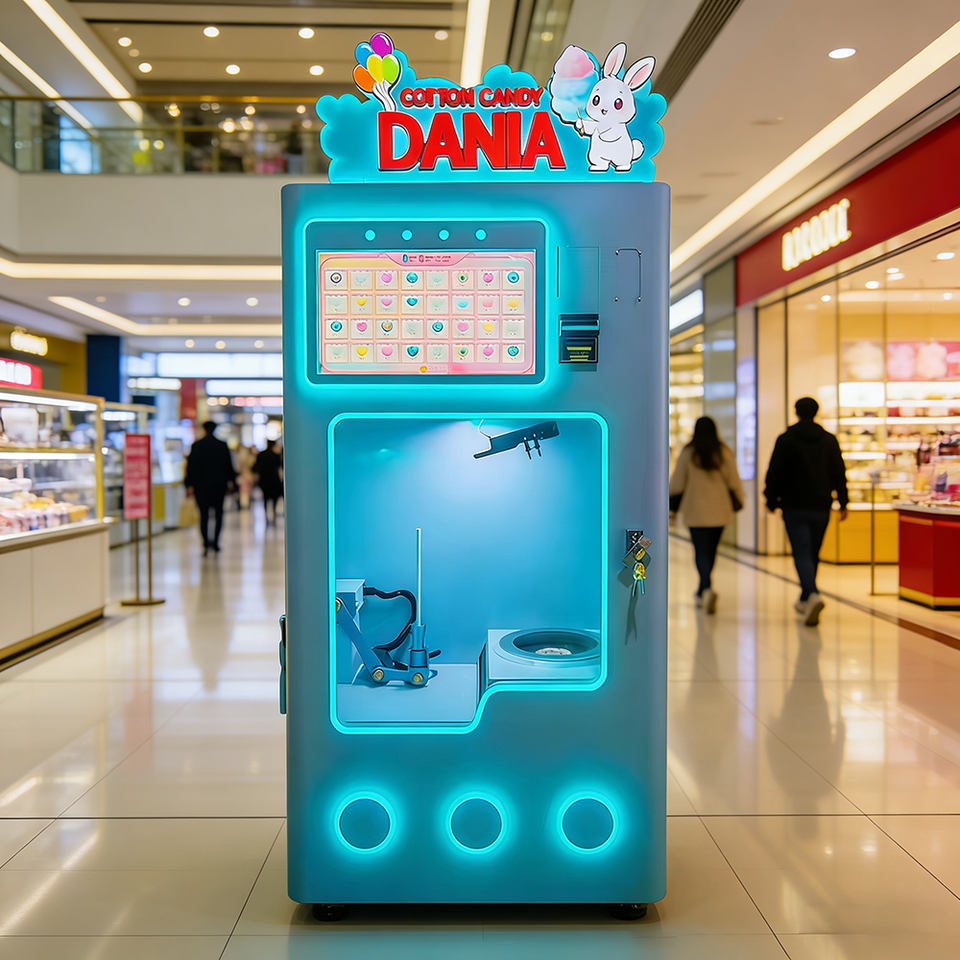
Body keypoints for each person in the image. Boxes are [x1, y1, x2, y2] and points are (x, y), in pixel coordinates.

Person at [764, 397, 848, 627]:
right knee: (813, 552)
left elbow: (775, 471)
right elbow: (838, 472)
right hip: (821, 505)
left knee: (801, 551)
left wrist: (770, 498)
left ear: (796, 412)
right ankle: (806, 597)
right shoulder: (828, 440)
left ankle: (811, 594)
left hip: (794, 505)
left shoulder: (786, 439)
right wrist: (843, 501)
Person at [669, 416, 744, 614]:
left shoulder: (689, 452)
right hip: (719, 510)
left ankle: (705, 587)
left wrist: (672, 507)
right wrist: (740, 500)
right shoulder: (723, 451)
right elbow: (733, 480)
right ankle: (705, 587)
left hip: (696, 511)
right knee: (711, 551)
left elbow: (678, 482)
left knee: (700, 550)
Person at [184, 421, 237, 555]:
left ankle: (206, 543)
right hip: (219, 486)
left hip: (201, 487)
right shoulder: (222, 445)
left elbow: (191, 467)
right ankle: (216, 543)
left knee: (204, 515)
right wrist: (231, 483)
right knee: (219, 514)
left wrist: (189, 485)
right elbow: (228, 466)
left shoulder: (197, 446)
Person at [254, 439, 284, 524]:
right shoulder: (275, 455)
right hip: (274, 480)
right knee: (274, 498)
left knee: (265, 498)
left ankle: (266, 514)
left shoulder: (261, 455)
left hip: (264, 480)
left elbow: (256, 467)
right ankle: (273, 513)